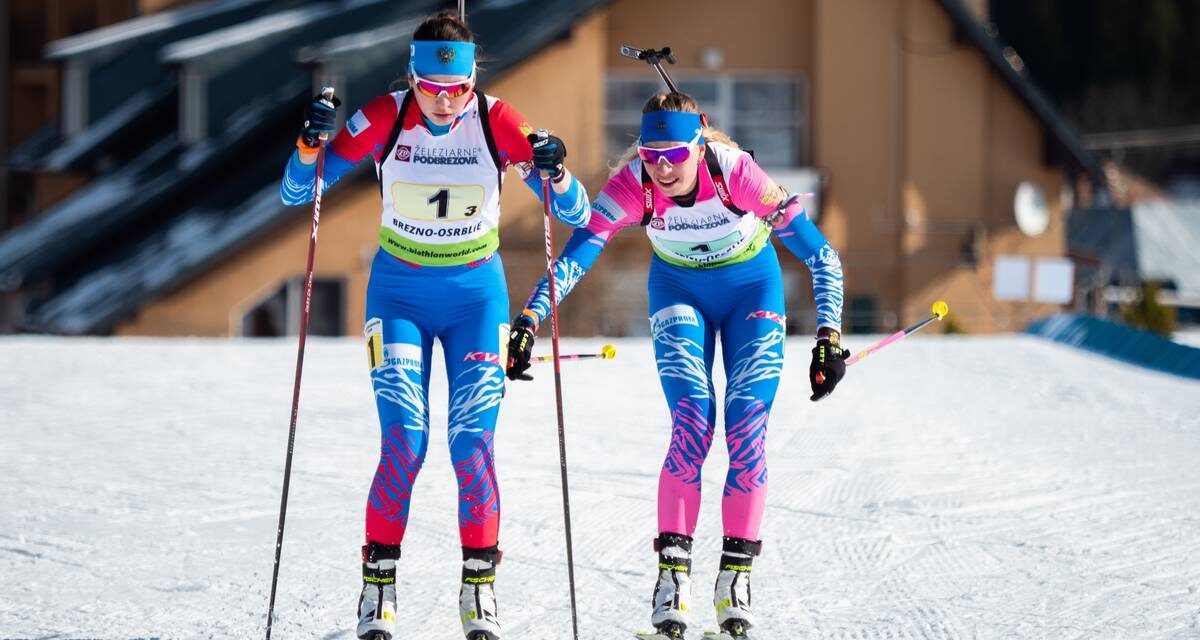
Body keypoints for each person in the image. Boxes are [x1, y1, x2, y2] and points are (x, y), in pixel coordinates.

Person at [279, 10, 590, 640]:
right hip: (399, 295)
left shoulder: (497, 120)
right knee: (404, 442)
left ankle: (479, 589)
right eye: (431, 88)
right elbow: (296, 192)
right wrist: (310, 145)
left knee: (471, 444)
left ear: (474, 79)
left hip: (477, 299)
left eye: (458, 89)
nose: (445, 102)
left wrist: (556, 170)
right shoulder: (384, 117)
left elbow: (576, 212)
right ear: (412, 76)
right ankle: (378, 588)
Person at [506, 91, 846, 639]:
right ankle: (673, 580)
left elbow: (822, 256)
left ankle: (735, 580)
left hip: (752, 291)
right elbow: (576, 254)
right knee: (692, 421)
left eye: (674, 157)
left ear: (698, 147)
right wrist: (528, 319)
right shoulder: (632, 186)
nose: (662, 170)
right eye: (651, 156)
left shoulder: (737, 174)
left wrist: (828, 337)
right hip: (677, 290)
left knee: (746, 426)